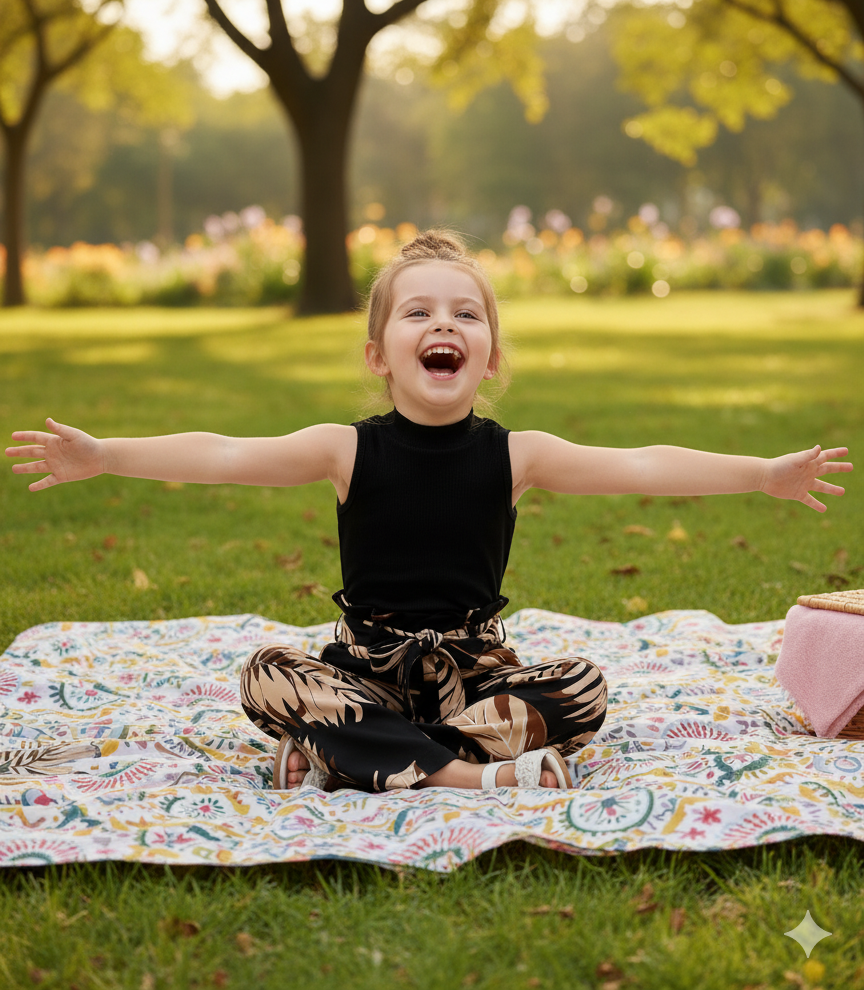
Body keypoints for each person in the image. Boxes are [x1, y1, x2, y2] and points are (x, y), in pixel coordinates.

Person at [6, 231, 852, 795]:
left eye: (465, 313)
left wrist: (763, 473)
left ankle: (351, 756)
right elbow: (225, 451)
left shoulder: (518, 456)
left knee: (583, 690)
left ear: (488, 357)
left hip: (474, 682)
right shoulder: (346, 449)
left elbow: (643, 464)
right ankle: (462, 780)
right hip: (365, 668)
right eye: (418, 311)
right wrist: (107, 454)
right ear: (381, 355)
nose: (442, 323)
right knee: (268, 674)